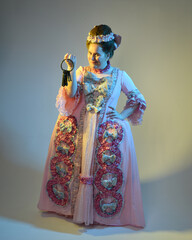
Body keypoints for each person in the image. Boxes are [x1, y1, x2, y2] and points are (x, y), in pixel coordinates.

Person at [38, 24, 146, 228]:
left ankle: (101, 214)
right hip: (82, 128)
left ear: (109, 54)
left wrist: (122, 115)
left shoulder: (120, 75)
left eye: (97, 54)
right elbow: (69, 94)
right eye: (89, 53)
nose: (92, 58)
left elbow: (137, 98)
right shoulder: (81, 71)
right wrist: (68, 70)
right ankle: (74, 208)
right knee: (75, 165)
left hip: (106, 130)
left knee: (105, 169)